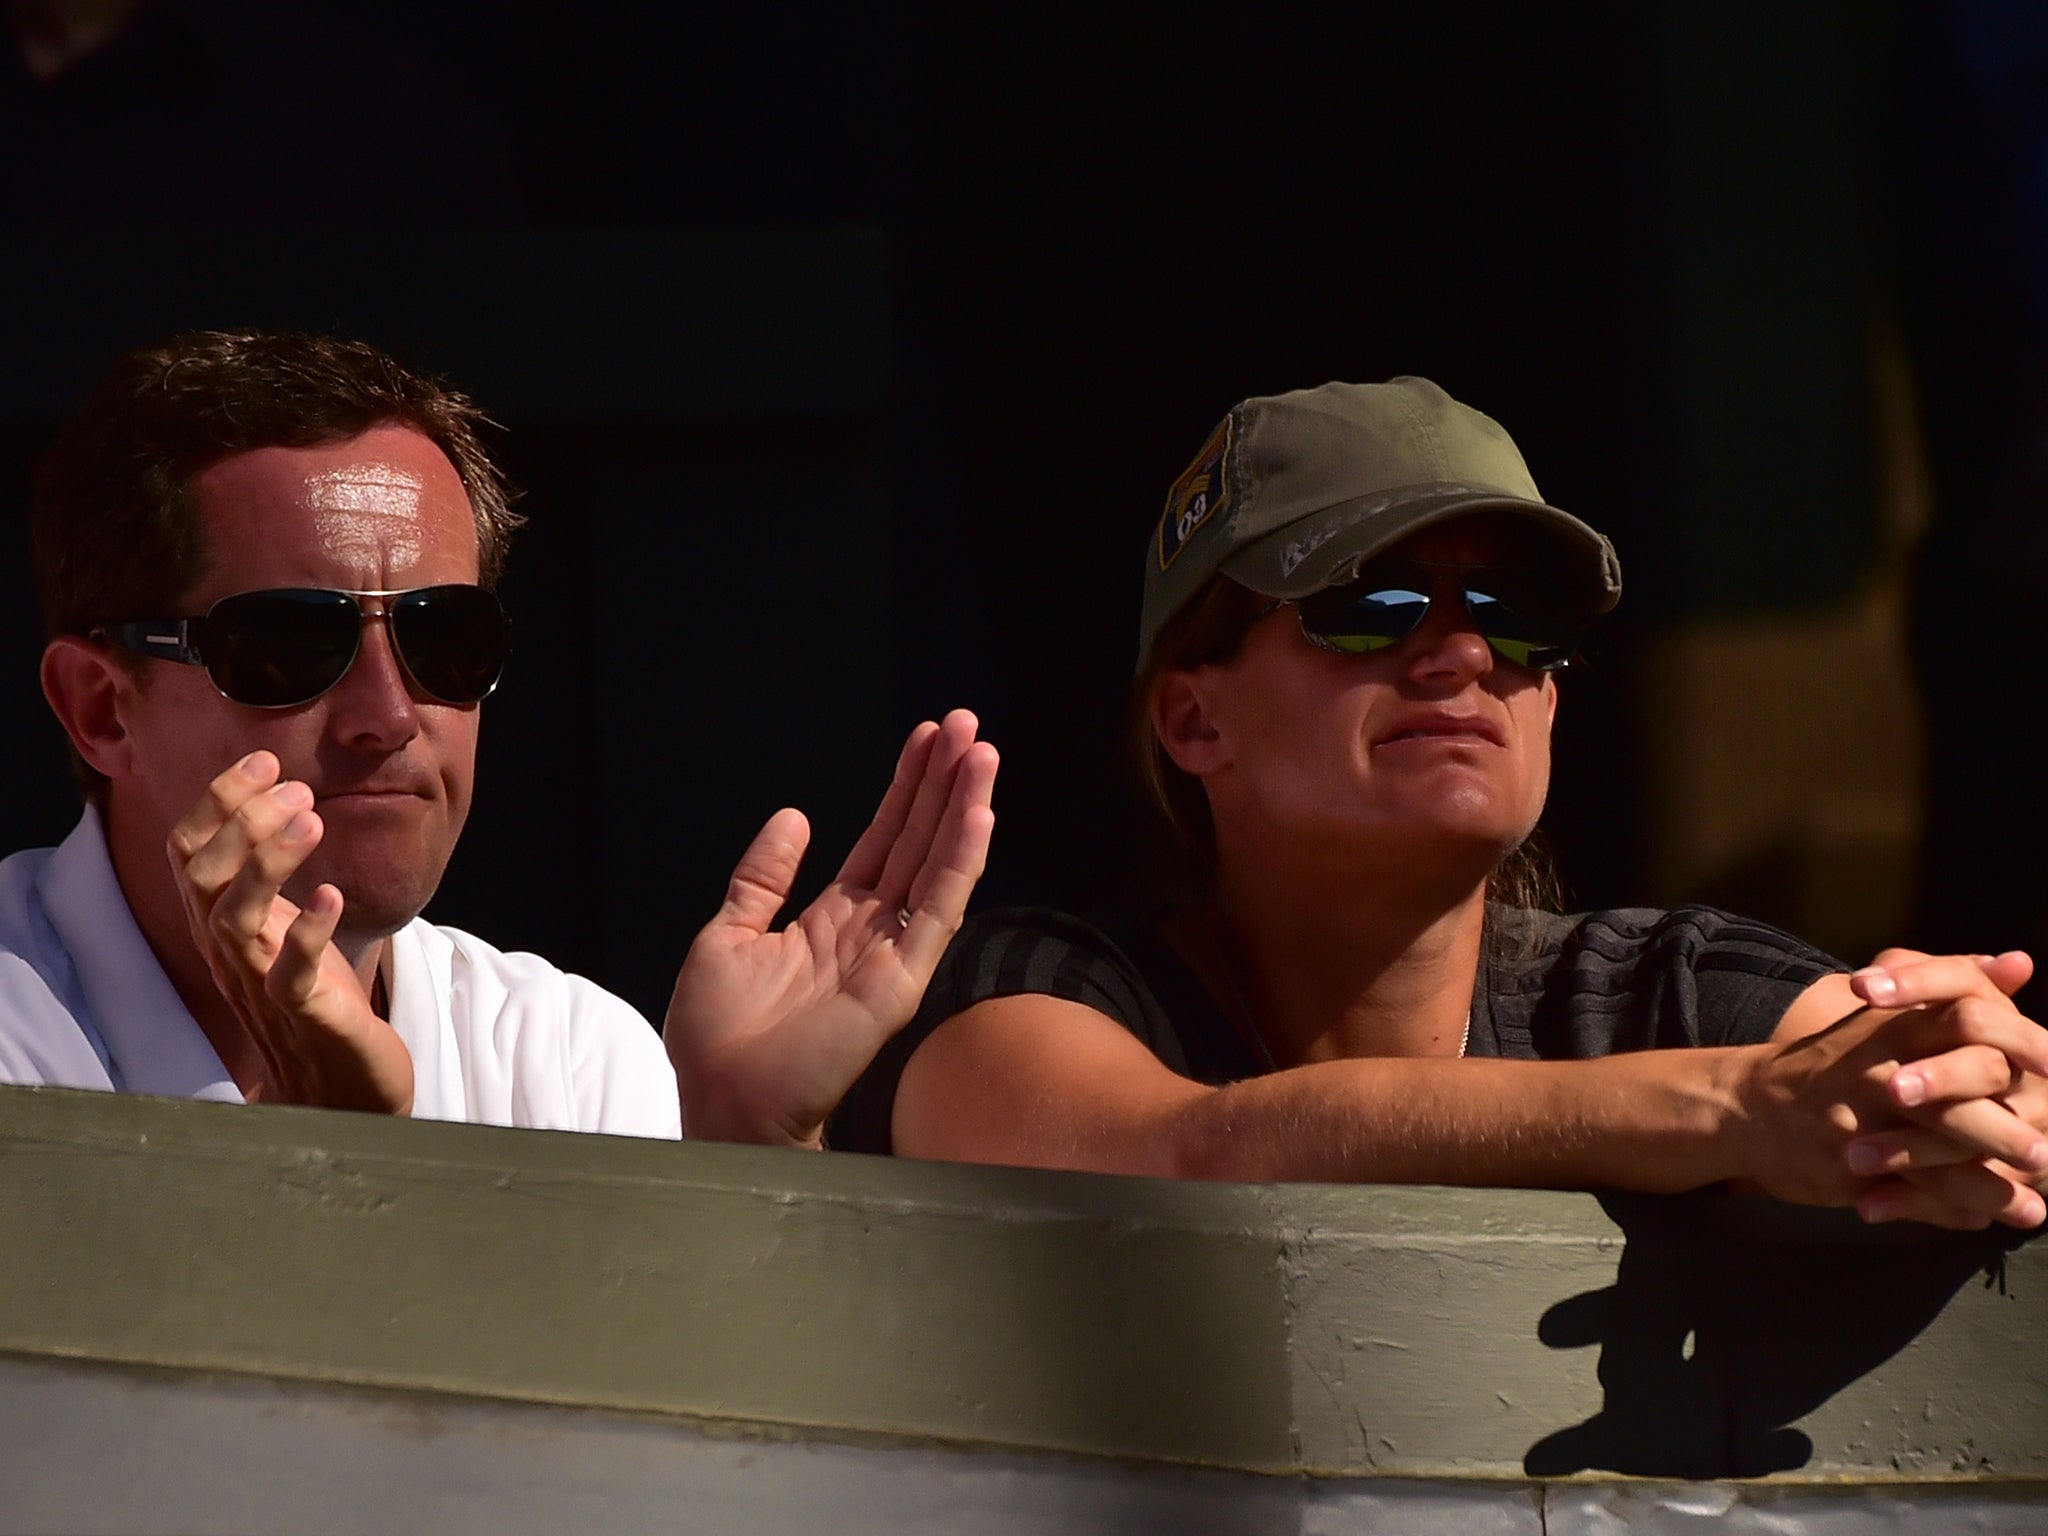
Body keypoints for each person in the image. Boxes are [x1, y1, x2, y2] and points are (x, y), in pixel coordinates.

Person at [829, 377, 2048, 1231]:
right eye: (1370, 602)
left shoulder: (1656, 989)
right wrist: (1731, 1112)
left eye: (1516, 616)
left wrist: (1959, 1091)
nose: (1463, 658)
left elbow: (1861, 1079)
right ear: (1194, 720)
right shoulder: (1043, 988)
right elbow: (1187, 1155)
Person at [0, 330, 996, 1147]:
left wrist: (747, 1146)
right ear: (100, 710)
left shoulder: (567, 1053)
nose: (389, 715)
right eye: (291, 643)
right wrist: (325, 1152)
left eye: (446, 636)